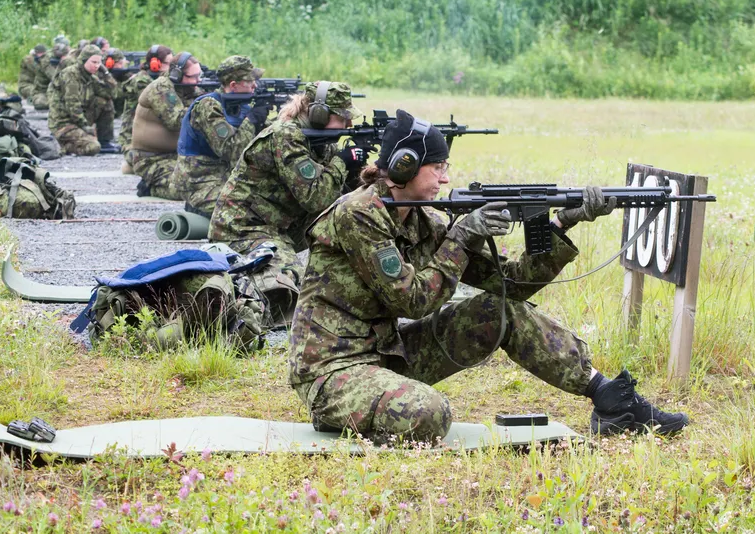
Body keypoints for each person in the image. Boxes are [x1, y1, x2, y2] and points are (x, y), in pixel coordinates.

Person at [288, 111, 692, 443]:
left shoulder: (424, 221)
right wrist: (463, 236)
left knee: (501, 310)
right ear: (404, 164)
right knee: (429, 414)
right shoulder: (358, 214)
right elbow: (410, 301)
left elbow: (510, 284)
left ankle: (610, 398)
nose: (445, 179)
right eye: (438, 167)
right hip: (332, 371)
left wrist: (562, 225)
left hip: (386, 356)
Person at [208, 80, 367, 327]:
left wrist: (360, 174)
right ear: (318, 114)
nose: (349, 124)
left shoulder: (319, 141)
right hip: (243, 227)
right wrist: (342, 163)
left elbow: (335, 197)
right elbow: (317, 198)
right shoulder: (286, 136)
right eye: (343, 117)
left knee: (342, 217)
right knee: (292, 285)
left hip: (279, 224)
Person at [174, 55, 269, 217]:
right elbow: (229, 150)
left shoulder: (241, 107)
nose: (255, 85)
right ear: (233, 85)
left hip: (225, 179)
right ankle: (197, 209)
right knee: (248, 213)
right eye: (250, 81)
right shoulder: (208, 106)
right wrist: (252, 121)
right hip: (200, 183)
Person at [127, 51, 200, 199]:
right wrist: (205, 107)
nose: (197, 81)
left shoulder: (187, 87)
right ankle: (150, 188)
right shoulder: (161, 88)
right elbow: (176, 121)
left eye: (199, 75)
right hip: (152, 159)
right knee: (187, 191)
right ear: (176, 75)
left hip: (177, 156)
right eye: (193, 77)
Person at [47, 44, 116, 156]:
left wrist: (106, 73)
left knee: (106, 102)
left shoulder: (90, 77)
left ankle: (105, 141)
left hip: (79, 122)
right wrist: (84, 126)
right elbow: (72, 104)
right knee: (93, 147)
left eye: (99, 63)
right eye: (94, 62)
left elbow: (111, 94)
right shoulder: (70, 74)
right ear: (84, 60)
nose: (97, 66)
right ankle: (63, 145)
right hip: (64, 124)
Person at [118, 45, 171, 155]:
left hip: (150, 133)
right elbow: (161, 105)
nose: (171, 68)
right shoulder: (141, 81)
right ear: (155, 63)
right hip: (132, 136)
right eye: (168, 64)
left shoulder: (162, 80)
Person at [31, 39, 69, 110]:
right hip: (42, 92)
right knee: (41, 103)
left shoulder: (67, 59)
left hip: (57, 91)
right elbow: (55, 78)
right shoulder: (46, 61)